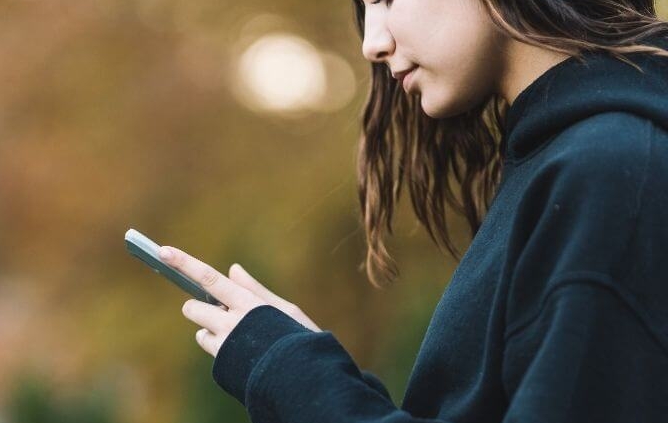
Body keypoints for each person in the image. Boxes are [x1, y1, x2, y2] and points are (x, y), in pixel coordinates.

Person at [156, 0, 668, 421]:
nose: (371, 42)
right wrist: (301, 365)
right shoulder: (572, 165)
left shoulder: (615, 172)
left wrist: (295, 378)